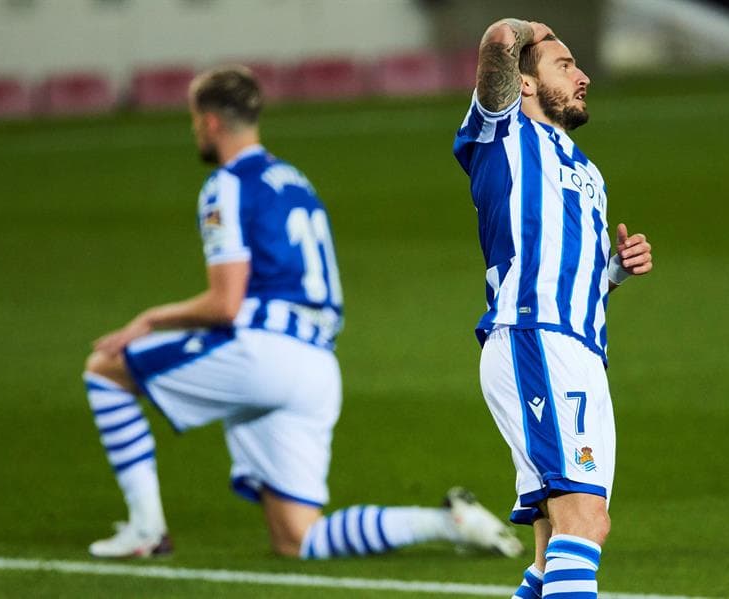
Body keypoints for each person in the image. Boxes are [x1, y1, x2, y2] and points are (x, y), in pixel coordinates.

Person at [83, 65, 522, 561]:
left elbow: (225, 304)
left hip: (263, 354)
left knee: (106, 371)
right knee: (298, 539)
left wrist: (151, 319)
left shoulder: (227, 184)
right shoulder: (294, 181)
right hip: (317, 366)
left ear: (209, 122)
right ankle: (445, 522)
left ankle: (146, 530)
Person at [452, 19, 654, 599]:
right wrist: (530, 29)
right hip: (535, 340)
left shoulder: (587, 171)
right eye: (565, 65)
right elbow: (498, 39)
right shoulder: (502, 135)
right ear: (525, 84)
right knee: (585, 521)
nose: (582, 76)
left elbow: (572, 277)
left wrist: (614, 271)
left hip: (579, 349)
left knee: (553, 547)